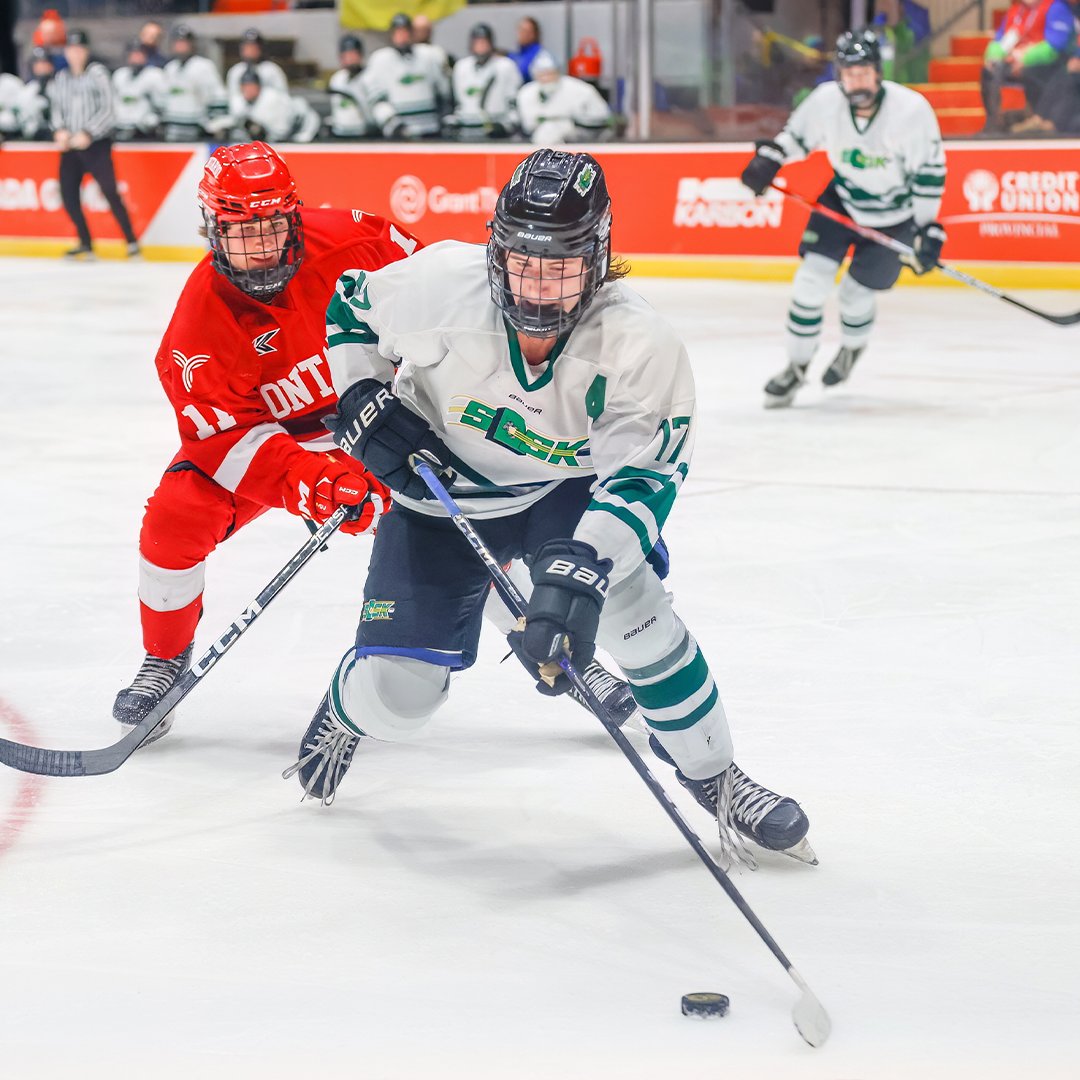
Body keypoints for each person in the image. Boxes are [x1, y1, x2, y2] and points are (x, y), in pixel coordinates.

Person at [289, 148, 816, 870]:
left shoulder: (639, 344)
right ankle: (349, 711)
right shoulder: (441, 285)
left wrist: (583, 567)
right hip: (437, 494)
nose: (536, 285)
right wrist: (359, 394)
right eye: (521, 261)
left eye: (560, 266)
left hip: (553, 492)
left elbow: (641, 479)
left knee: (635, 611)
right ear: (495, 250)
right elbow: (352, 303)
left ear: (598, 261)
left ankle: (716, 777)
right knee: (400, 699)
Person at [111, 142, 415, 742]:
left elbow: (445, 327)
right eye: (240, 233)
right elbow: (226, 438)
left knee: (459, 517)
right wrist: (312, 481)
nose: (260, 248)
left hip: (384, 418)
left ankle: (548, 636)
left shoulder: (362, 245)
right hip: (281, 445)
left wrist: (395, 443)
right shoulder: (198, 326)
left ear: (293, 217)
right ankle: (165, 660)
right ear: (211, 231)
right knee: (175, 518)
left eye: (272, 227)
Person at [740, 28, 947, 408]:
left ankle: (851, 349)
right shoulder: (824, 102)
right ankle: (796, 366)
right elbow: (795, 139)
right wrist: (770, 159)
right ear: (839, 74)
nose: (857, 81)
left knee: (854, 296)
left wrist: (926, 229)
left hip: (895, 217)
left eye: (864, 71)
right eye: (849, 73)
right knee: (809, 284)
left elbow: (929, 173)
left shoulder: (911, 110)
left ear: (878, 72)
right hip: (842, 202)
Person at [47, 29, 140, 260]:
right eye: (70, 49)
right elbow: (56, 109)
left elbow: (109, 108)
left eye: (79, 49)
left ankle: (131, 241)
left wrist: (89, 132)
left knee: (109, 192)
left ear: (86, 51)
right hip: (70, 146)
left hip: (96, 144)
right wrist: (59, 130)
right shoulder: (61, 78)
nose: (75, 54)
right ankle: (85, 242)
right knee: (68, 194)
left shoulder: (97, 73)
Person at [981, 0, 1073, 132]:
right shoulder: (1016, 11)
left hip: (1047, 64)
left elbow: (1056, 45)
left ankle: (1039, 119)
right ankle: (994, 122)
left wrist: (1025, 58)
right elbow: (999, 40)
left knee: (1030, 72)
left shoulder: (1055, 7)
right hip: (1014, 60)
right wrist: (995, 57)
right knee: (991, 71)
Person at [365, 12, 450, 139]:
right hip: (399, 134)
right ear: (391, 34)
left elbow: (443, 91)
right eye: (398, 32)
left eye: (405, 32)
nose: (402, 36)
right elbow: (375, 99)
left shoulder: (430, 56)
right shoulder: (380, 60)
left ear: (412, 33)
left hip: (430, 129)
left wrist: (445, 117)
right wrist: (392, 123)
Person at [445, 23, 522, 140]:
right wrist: (454, 121)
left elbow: (514, 102)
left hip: (496, 131)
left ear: (491, 43)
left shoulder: (505, 66)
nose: (481, 46)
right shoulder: (461, 67)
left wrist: (508, 125)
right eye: (477, 42)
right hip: (467, 131)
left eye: (484, 42)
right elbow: (458, 103)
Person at [516, 54, 612, 144]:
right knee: (547, 131)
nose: (546, 78)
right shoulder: (526, 93)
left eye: (550, 73)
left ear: (558, 72)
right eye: (542, 74)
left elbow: (599, 119)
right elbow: (528, 125)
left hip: (579, 136)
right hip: (538, 137)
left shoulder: (581, 89)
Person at [159, 24, 228, 142]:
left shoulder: (204, 66)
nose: (181, 46)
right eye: (178, 42)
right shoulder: (170, 68)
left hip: (196, 130)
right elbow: (164, 99)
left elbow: (218, 96)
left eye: (184, 42)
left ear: (192, 44)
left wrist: (213, 125)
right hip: (172, 130)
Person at [226, 67, 320, 144]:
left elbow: (281, 133)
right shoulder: (237, 100)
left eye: (251, 86)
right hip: (278, 136)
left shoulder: (272, 99)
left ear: (258, 86)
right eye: (244, 86)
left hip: (304, 127)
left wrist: (260, 131)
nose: (247, 90)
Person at [112, 40, 165, 141]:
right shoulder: (120, 75)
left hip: (143, 131)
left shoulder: (154, 75)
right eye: (133, 54)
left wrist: (152, 120)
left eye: (139, 54)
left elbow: (162, 104)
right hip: (122, 127)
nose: (136, 57)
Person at [226, 27, 288, 112]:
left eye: (254, 47)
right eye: (247, 47)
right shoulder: (236, 71)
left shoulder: (272, 70)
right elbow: (232, 97)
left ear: (261, 48)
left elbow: (283, 97)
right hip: (243, 114)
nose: (250, 51)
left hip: (269, 114)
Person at [327, 34, 378, 139]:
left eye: (353, 54)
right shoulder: (337, 79)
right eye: (346, 55)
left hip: (365, 136)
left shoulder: (370, 77)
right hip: (341, 135)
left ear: (360, 55)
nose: (349, 59)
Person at [17, 47, 55, 140]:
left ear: (51, 66)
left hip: (56, 136)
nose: (41, 67)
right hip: (32, 136)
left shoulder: (60, 87)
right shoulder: (27, 90)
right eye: (38, 63)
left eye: (44, 63)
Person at [508, 16, 554, 85]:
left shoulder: (542, 56)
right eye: (520, 29)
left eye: (525, 31)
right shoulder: (516, 55)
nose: (521, 34)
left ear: (533, 34)